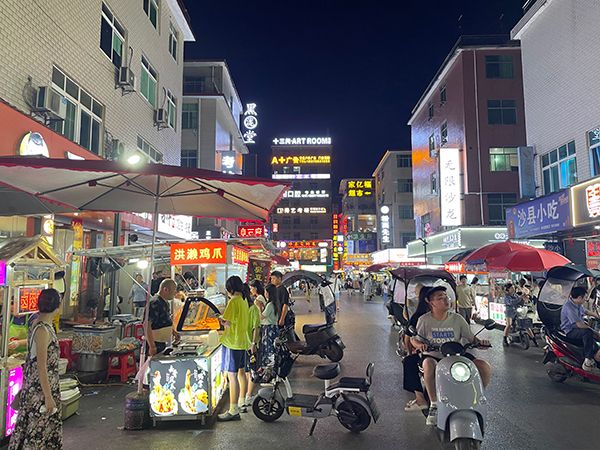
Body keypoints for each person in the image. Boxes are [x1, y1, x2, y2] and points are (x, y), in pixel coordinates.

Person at [410, 286, 491, 426]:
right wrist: (419, 345)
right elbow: (414, 339)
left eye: (446, 297)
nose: (445, 300)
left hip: (456, 356)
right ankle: (434, 404)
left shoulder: (458, 319)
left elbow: (471, 338)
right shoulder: (424, 320)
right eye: (440, 298)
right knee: (429, 365)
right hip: (433, 355)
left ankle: (477, 398)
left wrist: (480, 342)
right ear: (431, 302)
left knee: (483, 366)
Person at [9, 289, 63, 450]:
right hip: (40, 391)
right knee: (37, 433)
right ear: (57, 307)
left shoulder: (41, 325)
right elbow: (41, 365)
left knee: (37, 431)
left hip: (40, 387)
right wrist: (48, 396)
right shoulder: (42, 330)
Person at [218, 275, 250, 422]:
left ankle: (233, 410)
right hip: (242, 341)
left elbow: (227, 322)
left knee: (232, 376)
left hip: (232, 342)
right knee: (240, 373)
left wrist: (220, 319)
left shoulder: (233, 301)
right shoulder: (243, 300)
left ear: (230, 288)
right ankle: (241, 401)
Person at [403, 286, 432, 412]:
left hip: (449, 354)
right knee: (410, 362)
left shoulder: (453, 317)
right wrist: (416, 347)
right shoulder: (420, 318)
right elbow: (411, 338)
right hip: (427, 353)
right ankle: (420, 398)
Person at [560, 286, 600, 373]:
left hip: (578, 330)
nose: (586, 299)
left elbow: (585, 311)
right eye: (585, 297)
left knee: (596, 345)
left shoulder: (577, 304)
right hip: (570, 332)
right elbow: (579, 325)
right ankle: (587, 360)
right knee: (588, 332)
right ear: (579, 298)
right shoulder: (569, 307)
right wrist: (595, 332)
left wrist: (597, 315)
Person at [145, 278, 177, 356]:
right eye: (173, 291)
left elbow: (166, 320)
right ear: (165, 289)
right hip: (155, 343)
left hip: (162, 343)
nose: (175, 293)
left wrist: (174, 332)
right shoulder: (155, 303)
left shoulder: (165, 302)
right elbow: (146, 325)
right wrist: (152, 346)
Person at [242, 284, 261, 412]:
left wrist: (253, 343)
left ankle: (247, 396)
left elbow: (256, 328)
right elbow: (256, 327)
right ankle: (246, 396)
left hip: (246, 344)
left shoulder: (250, 308)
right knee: (248, 371)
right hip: (246, 344)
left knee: (249, 371)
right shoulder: (251, 307)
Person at [258, 283, 280, 371]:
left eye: (266, 292)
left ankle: (269, 370)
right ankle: (271, 369)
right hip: (273, 328)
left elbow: (262, 316)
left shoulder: (270, 304)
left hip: (268, 329)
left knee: (268, 350)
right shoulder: (274, 303)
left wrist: (259, 307)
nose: (265, 294)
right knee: (271, 349)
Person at [271, 271, 295, 340]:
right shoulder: (275, 289)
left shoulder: (282, 290)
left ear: (279, 279)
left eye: (274, 278)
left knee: (284, 335)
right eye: (271, 279)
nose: (272, 280)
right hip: (277, 316)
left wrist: (282, 318)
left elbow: (285, 305)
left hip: (282, 317)